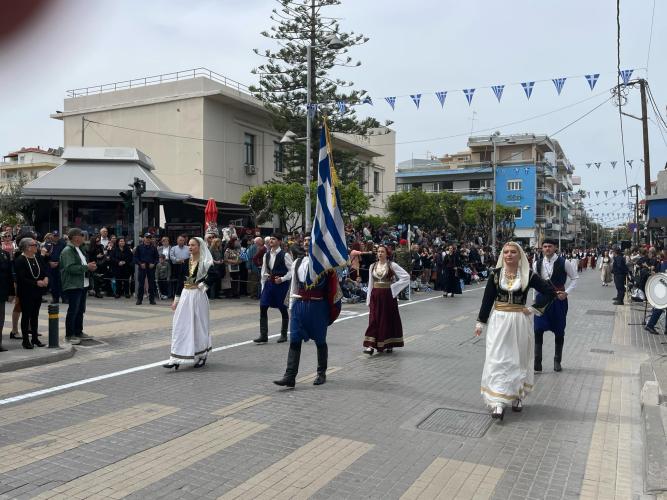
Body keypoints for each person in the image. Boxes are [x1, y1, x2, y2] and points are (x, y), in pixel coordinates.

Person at [474, 242, 556, 420]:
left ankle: (517, 396)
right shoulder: (495, 275)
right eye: (506, 252)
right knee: (497, 359)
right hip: (499, 322)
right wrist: (480, 322)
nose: (509, 255)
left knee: (518, 359)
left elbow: (550, 292)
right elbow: (487, 299)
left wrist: (533, 308)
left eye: (513, 252)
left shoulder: (528, 275)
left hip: (519, 321)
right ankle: (498, 401)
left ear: (520, 256)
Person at [273, 236, 341, 388]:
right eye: (304, 240)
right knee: (294, 340)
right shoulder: (297, 262)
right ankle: (290, 376)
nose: (306, 242)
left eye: (309, 240)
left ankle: (321, 373)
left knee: (320, 340)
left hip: (318, 307)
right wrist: (291, 308)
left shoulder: (325, 265)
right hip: (299, 306)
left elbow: (332, 288)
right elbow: (294, 287)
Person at [163, 237, 217, 370]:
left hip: (198, 296)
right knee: (180, 325)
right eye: (189, 245)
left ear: (199, 246)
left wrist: (203, 285)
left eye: (193, 245)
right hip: (186, 295)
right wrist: (176, 300)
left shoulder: (205, 261)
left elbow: (215, 275)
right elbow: (180, 281)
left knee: (199, 326)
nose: (190, 247)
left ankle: (202, 355)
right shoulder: (186, 262)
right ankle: (176, 358)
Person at [532, 239, 578, 372]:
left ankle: (557, 361)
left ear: (555, 248)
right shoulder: (536, 263)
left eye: (550, 246)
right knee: (537, 329)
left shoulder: (564, 262)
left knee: (559, 330)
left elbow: (575, 278)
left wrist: (566, 292)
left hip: (558, 299)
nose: (547, 249)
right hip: (541, 300)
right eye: (545, 246)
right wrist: (534, 299)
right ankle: (537, 362)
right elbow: (535, 283)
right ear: (542, 248)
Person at [362, 245, 410, 355]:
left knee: (387, 319)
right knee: (373, 319)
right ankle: (370, 345)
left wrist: (394, 288)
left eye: (382, 251)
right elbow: (370, 283)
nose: (380, 253)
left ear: (387, 254)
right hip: (375, 296)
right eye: (378, 251)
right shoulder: (372, 266)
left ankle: (388, 344)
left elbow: (406, 277)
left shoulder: (392, 265)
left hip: (387, 296)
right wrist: (368, 299)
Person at [60, 228, 97, 345]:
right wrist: (87, 267)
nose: (84, 237)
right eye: (82, 235)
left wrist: (89, 266)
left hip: (82, 283)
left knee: (80, 310)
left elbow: (82, 264)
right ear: (76, 237)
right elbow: (70, 268)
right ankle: (69, 335)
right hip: (73, 284)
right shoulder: (68, 250)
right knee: (73, 310)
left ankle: (78, 331)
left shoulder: (79, 248)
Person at [255, 234, 292, 344]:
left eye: (274, 239)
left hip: (281, 285)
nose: (271, 240)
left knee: (282, 308)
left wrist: (283, 279)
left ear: (279, 241)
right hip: (269, 284)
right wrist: (263, 286)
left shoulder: (285, 255)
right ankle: (263, 335)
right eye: (270, 239)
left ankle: (283, 334)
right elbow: (264, 271)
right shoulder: (266, 255)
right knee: (263, 306)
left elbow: (292, 271)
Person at [14, 238, 48, 349]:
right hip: (26, 292)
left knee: (35, 315)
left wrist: (46, 278)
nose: (37, 246)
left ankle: (35, 338)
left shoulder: (37, 257)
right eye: (34, 245)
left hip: (37, 291)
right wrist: (36, 282)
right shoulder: (20, 260)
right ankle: (25, 340)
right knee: (26, 315)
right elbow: (21, 278)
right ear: (28, 247)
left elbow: (43, 270)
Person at [134, 233, 159, 305]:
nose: (148, 239)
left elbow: (157, 258)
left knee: (151, 284)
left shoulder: (154, 248)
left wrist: (154, 264)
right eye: (147, 237)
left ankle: (152, 299)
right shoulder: (139, 247)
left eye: (149, 238)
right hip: (142, 266)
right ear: (144, 238)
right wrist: (140, 264)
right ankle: (139, 299)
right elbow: (135, 258)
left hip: (151, 267)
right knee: (141, 284)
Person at [0, 242, 15, 351]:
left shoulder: (5, 254)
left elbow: (9, 275)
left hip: (1, 291)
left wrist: (11, 292)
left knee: (1, 318)